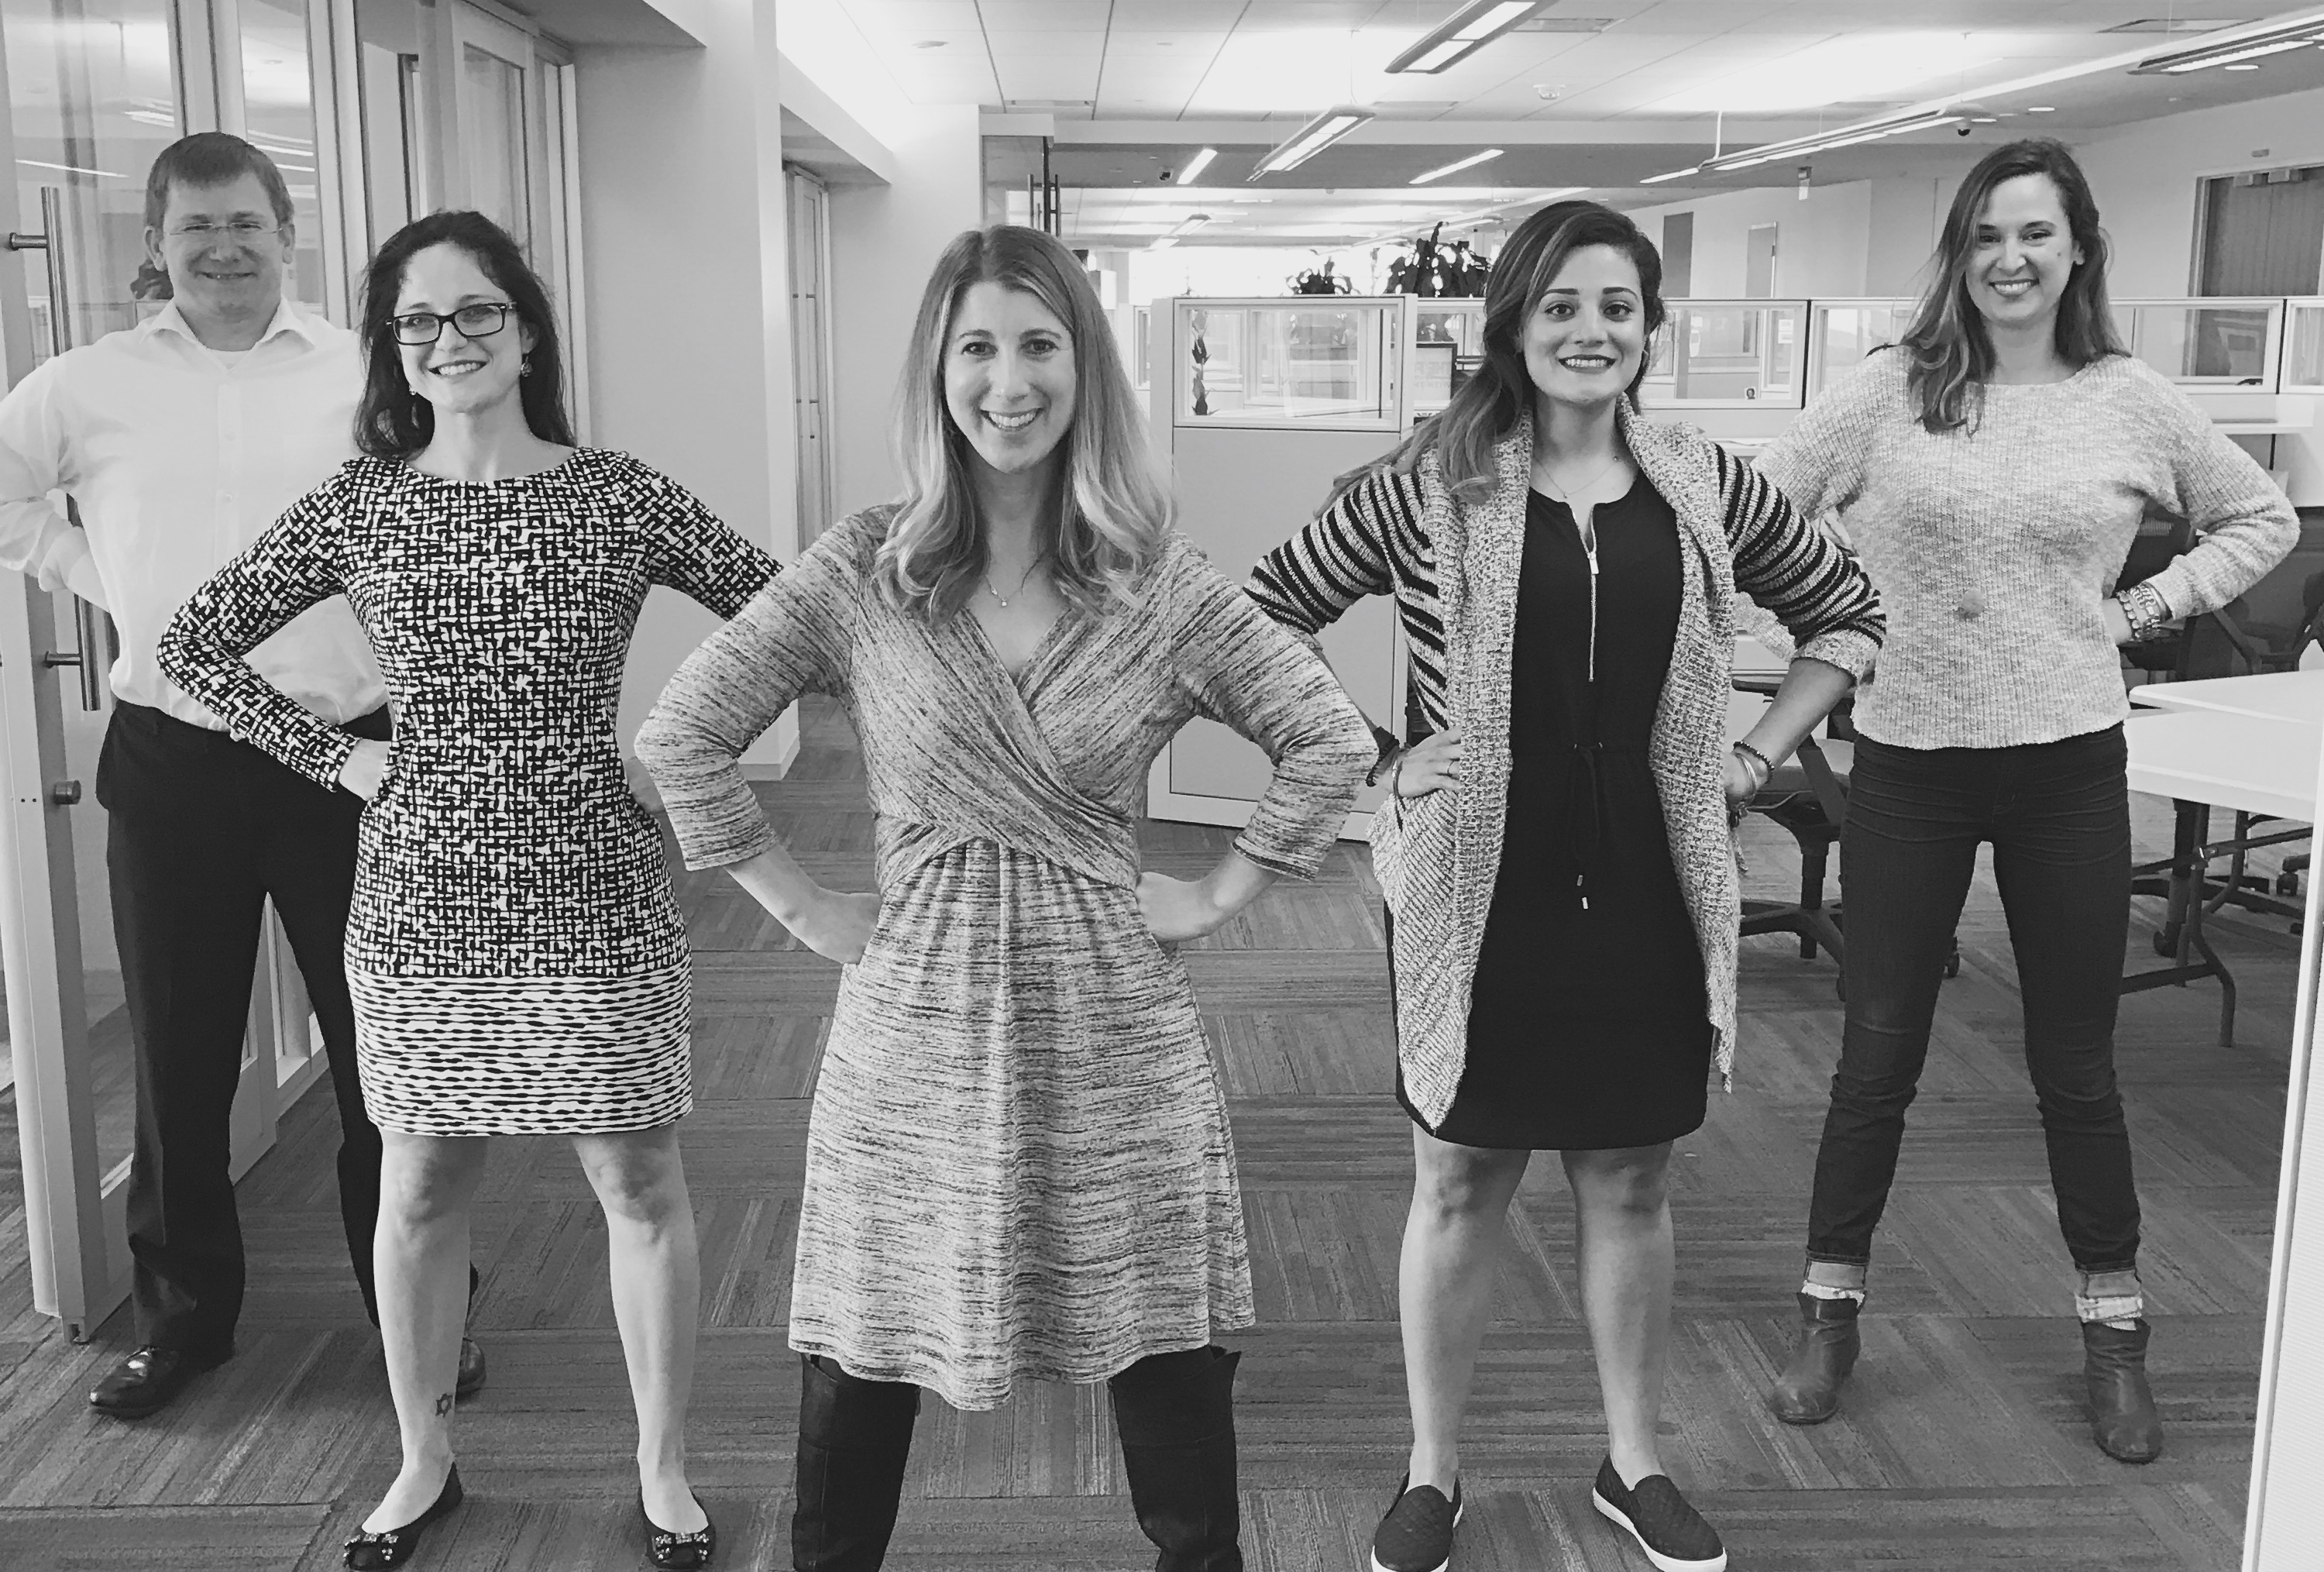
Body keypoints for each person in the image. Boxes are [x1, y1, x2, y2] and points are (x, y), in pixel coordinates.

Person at [634, 224, 1374, 1572]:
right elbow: (684, 734)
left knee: (1163, 1327)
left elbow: (1327, 738)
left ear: (1085, 370)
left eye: (1040, 345)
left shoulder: (1156, 583)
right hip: (917, 1014)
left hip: (1113, 1014)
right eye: (976, 347)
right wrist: (805, 909)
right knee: (867, 1334)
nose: (1009, 380)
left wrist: (1221, 892)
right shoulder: (866, 570)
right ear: (938, 372)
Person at [1247, 200, 1886, 1572]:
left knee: (1631, 1177)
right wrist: (1379, 759)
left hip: (1652, 879)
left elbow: (1847, 611)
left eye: (1617, 307)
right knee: (1458, 1180)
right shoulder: (1431, 482)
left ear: (1650, 328)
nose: (1591, 332)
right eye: (1561, 306)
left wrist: (1761, 752)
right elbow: (1259, 617)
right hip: (1479, 889)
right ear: (1513, 327)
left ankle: (1633, 1462)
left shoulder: (1704, 480)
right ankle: (1432, 1470)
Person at [158, 210, 775, 1570]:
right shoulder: (364, 503)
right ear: (394, 348)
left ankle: (663, 1468)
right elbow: (192, 644)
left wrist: (683, 743)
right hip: (421, 900)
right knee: (424, 1182)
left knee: (637, 1176)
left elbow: (789, 617)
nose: (449, 340)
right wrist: (339, 757)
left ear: (527, 331)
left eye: (477, 311)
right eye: (419, 320)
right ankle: (422, 1457)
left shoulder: (616, 494)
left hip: (594, 889)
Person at [1754, 139, 2298, 1465]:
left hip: (2068, 764)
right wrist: (1829, 625)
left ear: (2077, 250)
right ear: (1961, 251)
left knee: (2076, 1065)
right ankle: (1829, 1311)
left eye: (2036, 233)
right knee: (1877, 1056)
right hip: (1910, 763)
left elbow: (2262, 518)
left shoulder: (2129, 397)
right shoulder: (1888, 389)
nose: (2011, 258)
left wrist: (2141, 609)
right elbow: (1755, 514)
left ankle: (2115, 1329)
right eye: (1988, 234)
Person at [0, 131, 482, 1420]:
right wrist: (97, 575)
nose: (223, 249)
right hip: (177, 763)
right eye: (196, 227)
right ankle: (183, 1325)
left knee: (388, 1060)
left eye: (246, 224)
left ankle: (421, 1315)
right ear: (156, 244)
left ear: (287, 234)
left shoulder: (362, 374)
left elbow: (450, 512)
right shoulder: (85, 385)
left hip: (348, 761)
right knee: (180, 1061)